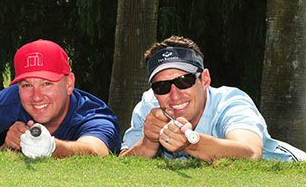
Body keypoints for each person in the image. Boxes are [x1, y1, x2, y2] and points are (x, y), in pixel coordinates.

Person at [120, 36, 302, 161]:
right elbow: (123, 164)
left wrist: (192, 143)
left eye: (184, 80)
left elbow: (251, 153)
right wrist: (147, 143)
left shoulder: (231, 101)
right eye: (161, 86)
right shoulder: (149, 107)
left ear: (205, 79)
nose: (174, 95)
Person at [0, 40, 120, 157]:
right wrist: (8, 145)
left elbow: (96, 151)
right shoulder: (10, 102)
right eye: (27, 85)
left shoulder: (94, 115)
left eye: (46, 84)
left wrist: (51, 147)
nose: (37, 97)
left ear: (69, 84)